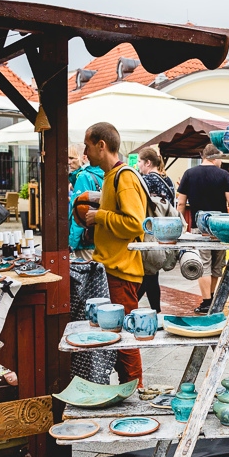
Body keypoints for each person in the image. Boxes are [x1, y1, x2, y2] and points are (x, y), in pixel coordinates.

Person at [83, 122, 147, 387]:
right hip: (112, 268)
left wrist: (100, 216)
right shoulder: (111, 177)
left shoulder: (125, 177)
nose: (85, 153)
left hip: (121, 270)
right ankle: (128, 389)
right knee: (118, 337)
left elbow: (135, 223)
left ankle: (136, 390)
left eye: (87, 146)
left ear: (101, 145)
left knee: (125, 338)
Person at [176, 144, 229, 314]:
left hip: (200, 227)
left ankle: (207, 302)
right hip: (220, 228)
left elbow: (181, 203)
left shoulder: (189, 174)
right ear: (214, 157)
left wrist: (178, 224)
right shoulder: (224, 175)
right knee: (218, 265)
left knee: (204, 264)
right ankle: (211, 300)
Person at [136, 147, 176, 312]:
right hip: (165, 232)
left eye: (139, 161)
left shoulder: (146, 180)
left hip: (149, 231)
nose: (138, 165)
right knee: (151, 275)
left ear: (147, 163)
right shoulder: (168, 180)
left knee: (148, 274)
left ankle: (128, 305)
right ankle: (156, 311)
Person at [68, 145, 104, 260]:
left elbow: (79, 214)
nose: (68, 162)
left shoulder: (84, 177)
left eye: (72, 158)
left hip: (85, 242)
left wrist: (71, 244)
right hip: (100, 238)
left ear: (83, 157)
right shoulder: (103, 173)